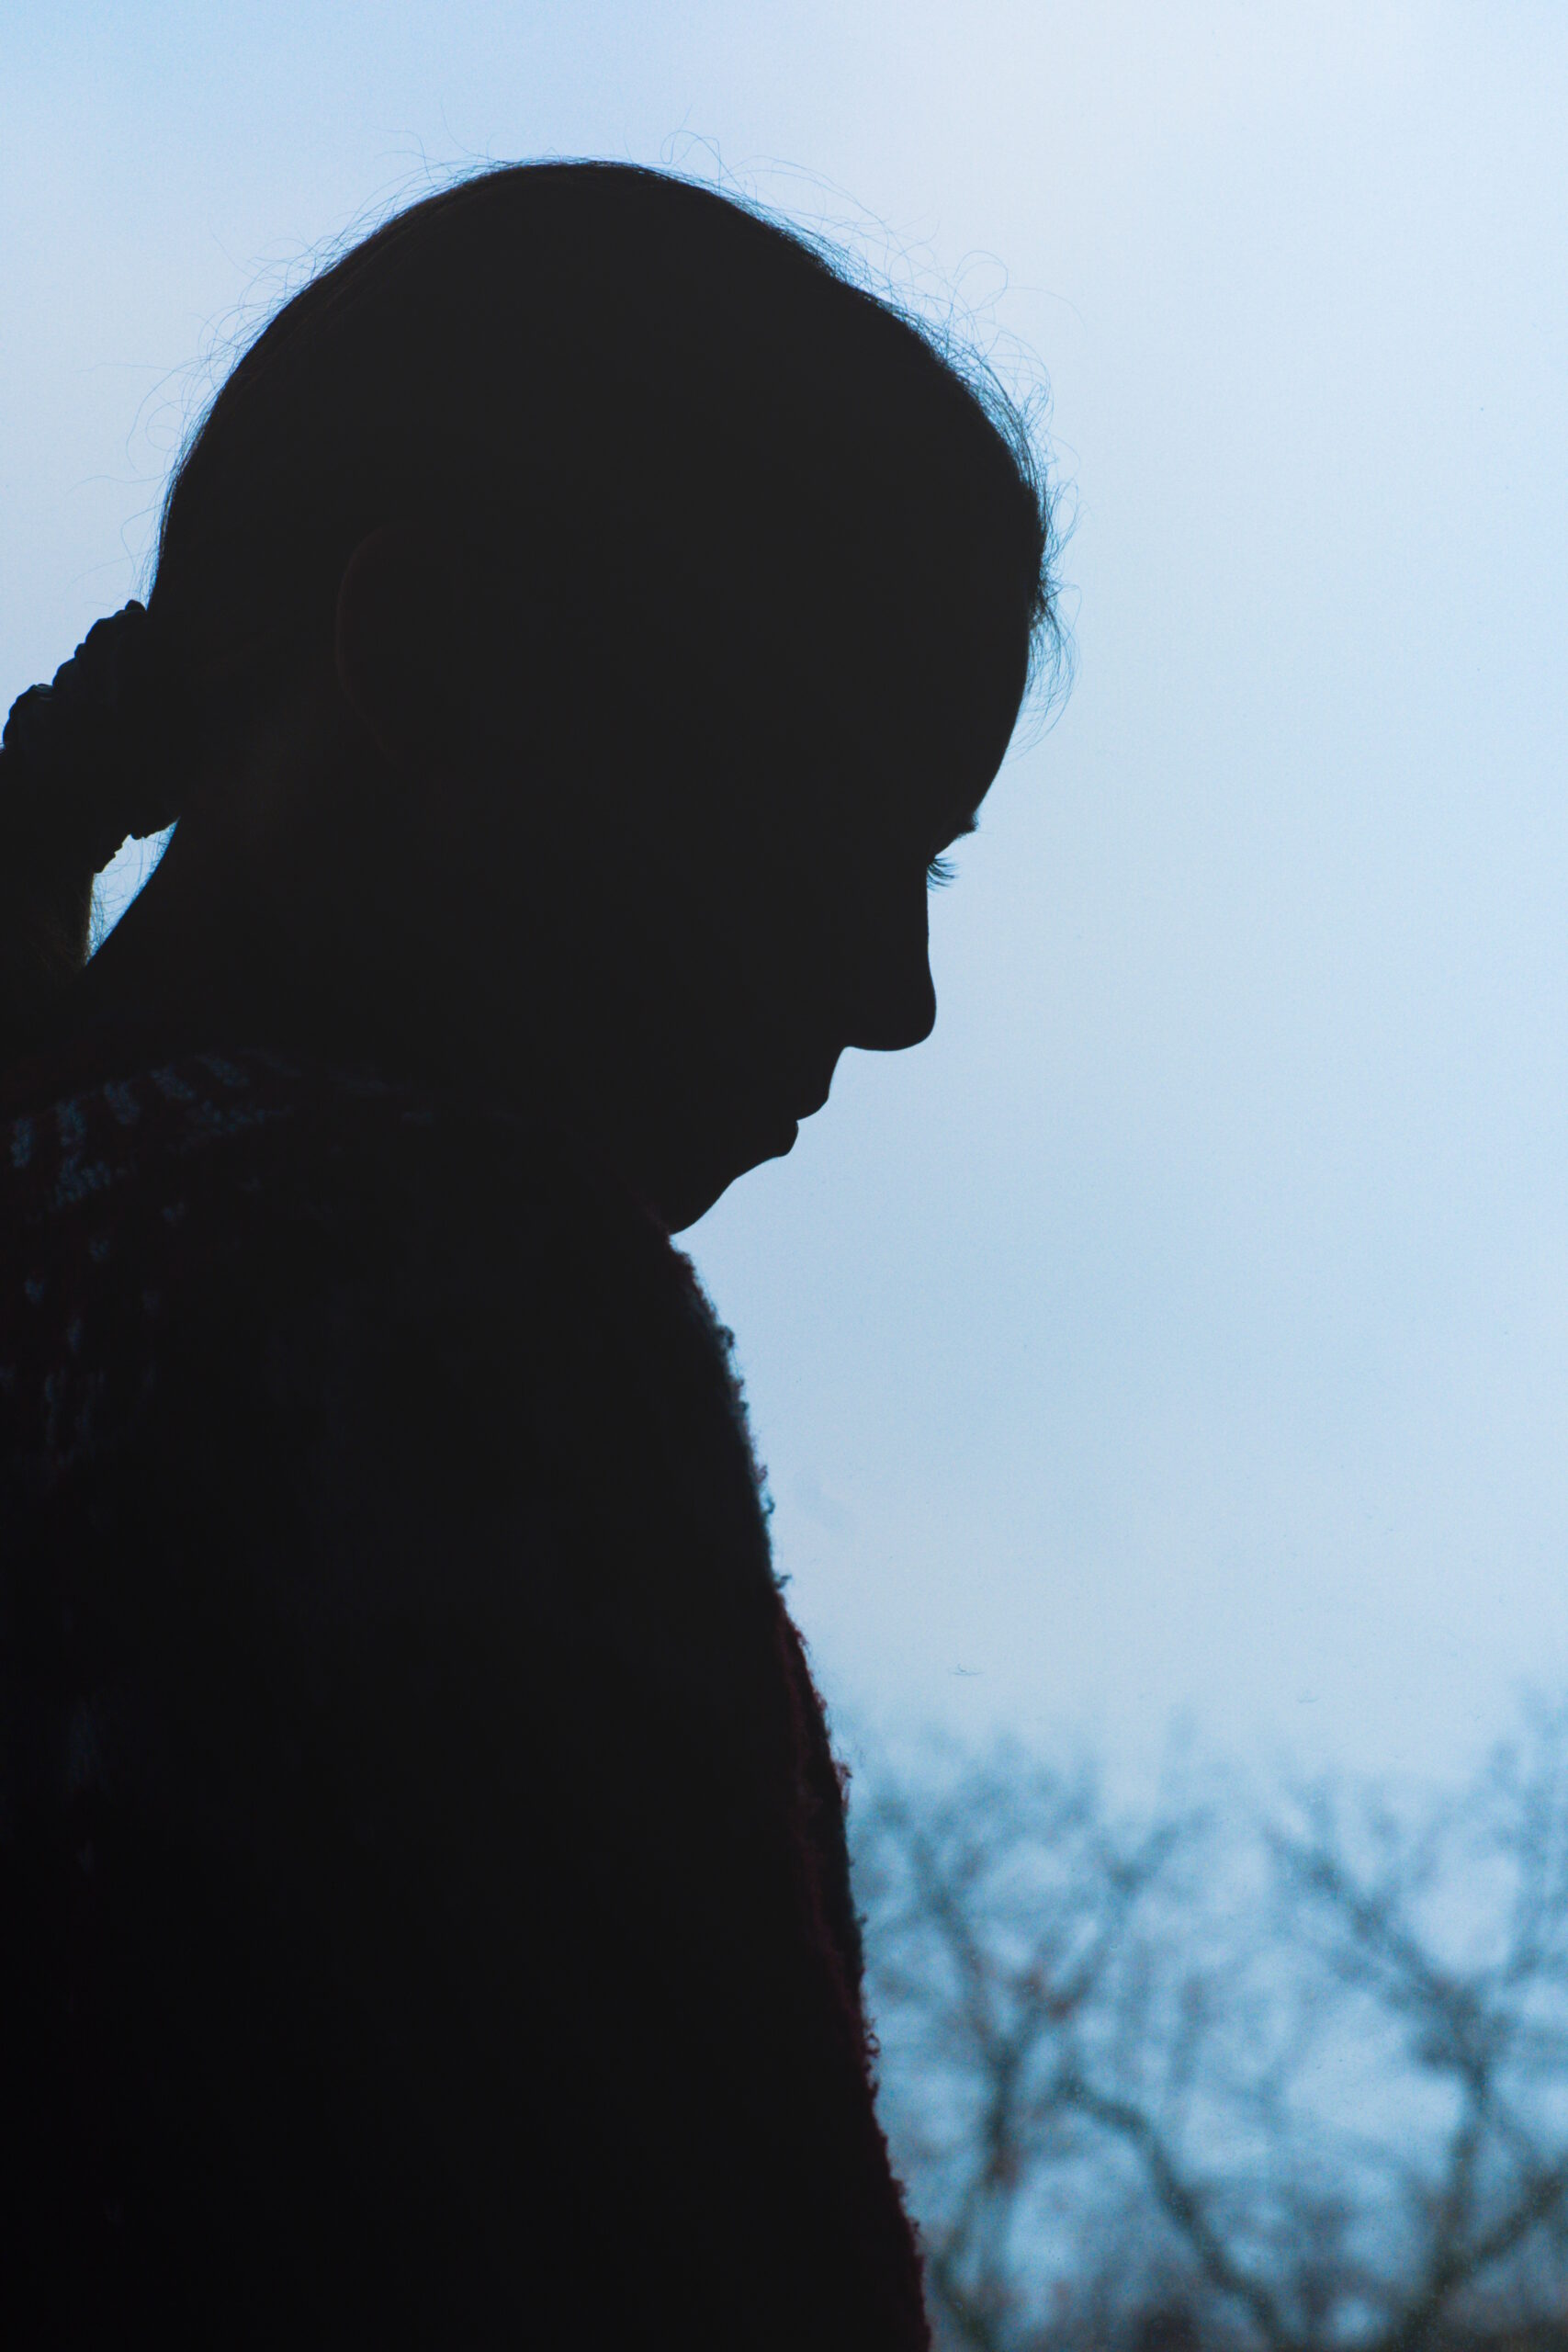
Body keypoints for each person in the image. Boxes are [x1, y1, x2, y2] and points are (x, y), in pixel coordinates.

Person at [0, 162, 1059, 2345]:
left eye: (927, 871)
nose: (891, 993)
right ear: (443, 671)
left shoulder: (83, 1250)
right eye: (835, 820)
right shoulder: (399, 1284)